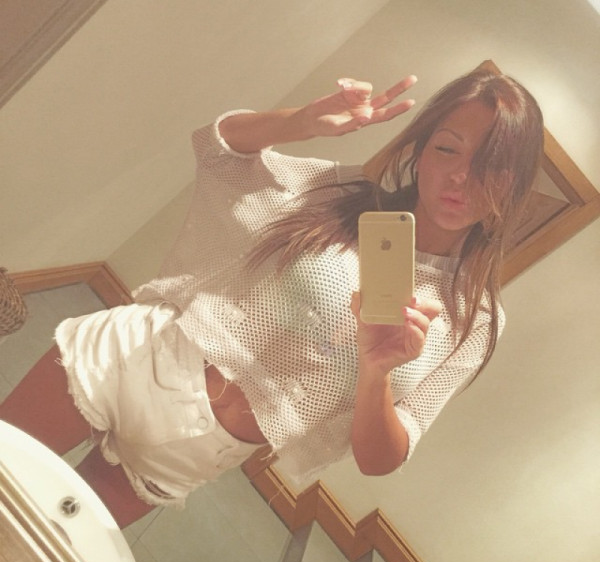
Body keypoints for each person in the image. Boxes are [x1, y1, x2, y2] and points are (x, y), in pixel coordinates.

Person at [0, 68, 544, 528]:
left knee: (45, 548)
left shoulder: (474, 320)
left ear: (515, 183)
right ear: (420, 152)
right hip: (136, 360)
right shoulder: (342, 195)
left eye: (491, 164)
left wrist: (376, 371)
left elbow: (382, 458)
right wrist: (300, 122)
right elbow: (219, 151)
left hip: (198, 451)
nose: (461, 176)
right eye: (448, 148)